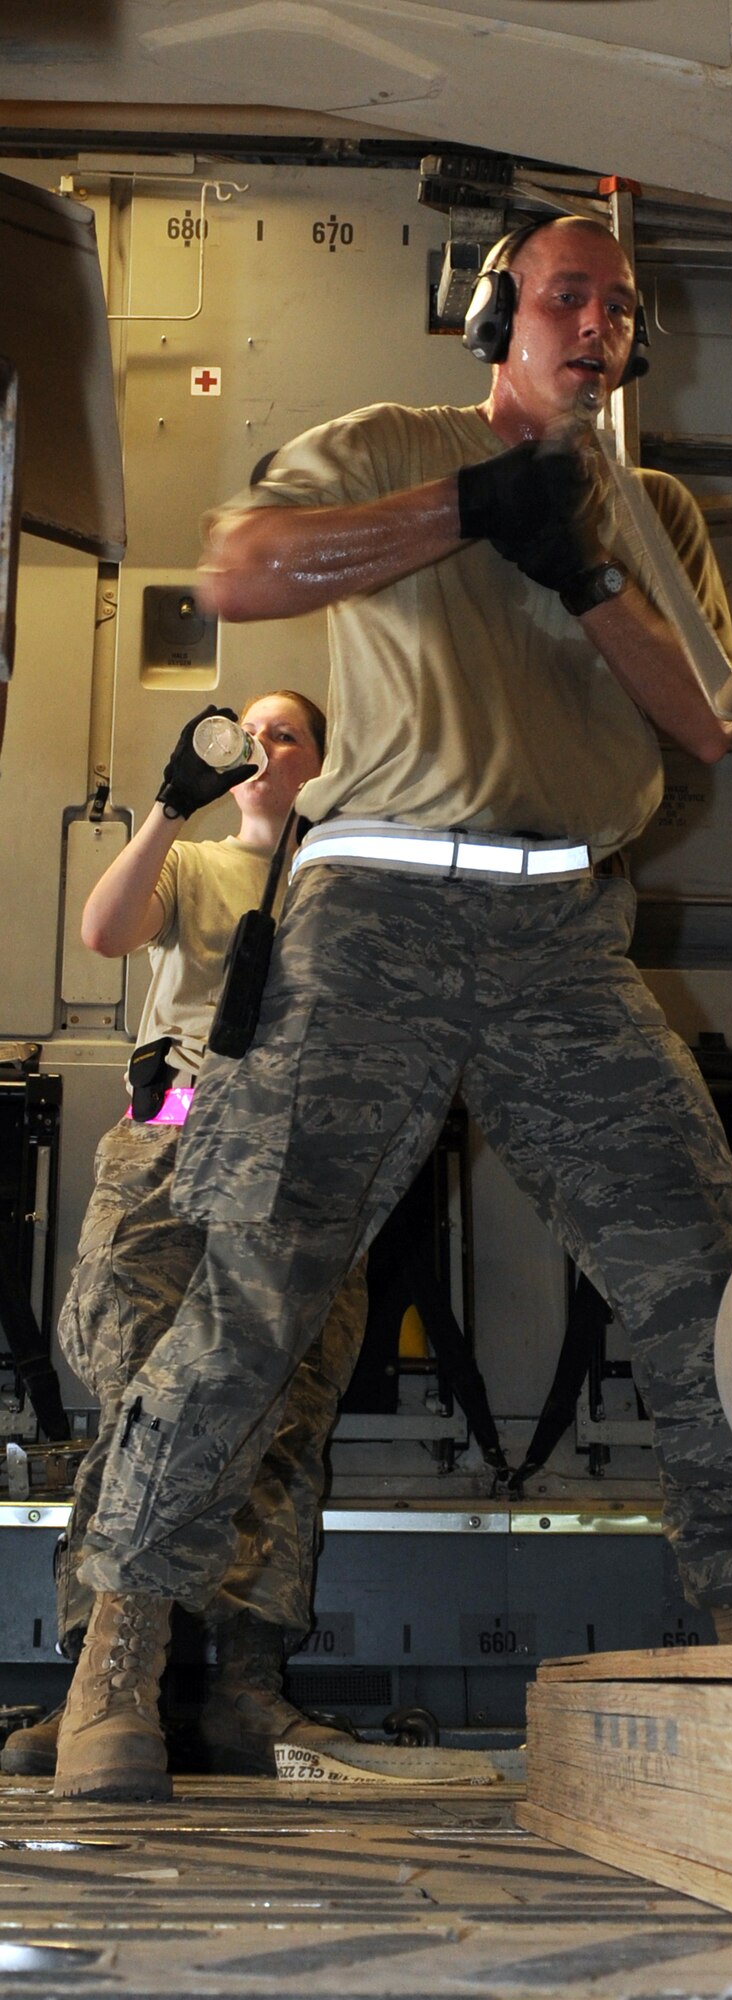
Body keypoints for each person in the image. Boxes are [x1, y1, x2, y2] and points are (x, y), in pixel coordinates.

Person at [54, 215, 732, 1803]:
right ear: (493, 314)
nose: (594, 323)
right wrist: (465, 506)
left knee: (696, 1287)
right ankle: (118, 1662)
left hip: (562, 932)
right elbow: (242, 571)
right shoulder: (386, 445)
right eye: (563, 295)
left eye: (618, 306)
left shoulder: (649, 508)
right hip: (373, 912)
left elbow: (703, 724)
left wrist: (580, 563)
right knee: (250, 1282)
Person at [12, 692, 452, 1794]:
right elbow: (106, 930)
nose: (262, 751)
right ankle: (105, 1685)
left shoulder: (354, 887)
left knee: (282, 1406)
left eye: (286, 736)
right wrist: (167, 805)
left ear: (321, 764)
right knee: (136, 1397)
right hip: (171, 1143)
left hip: (300, 1164)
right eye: (245, 735)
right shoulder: (199, 864)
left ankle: (243, 1688)